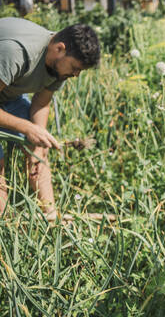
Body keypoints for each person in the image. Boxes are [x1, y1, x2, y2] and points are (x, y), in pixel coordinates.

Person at [0, 17, 100, 220]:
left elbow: (41, 103)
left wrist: (38, 137)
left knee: (39, 151)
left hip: (7, 94)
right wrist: (26, 128)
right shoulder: (16, 52)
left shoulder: (59, 68)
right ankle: (4, 227)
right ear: (60, 48)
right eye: (75, 68)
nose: (76, 74)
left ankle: (51, 217)